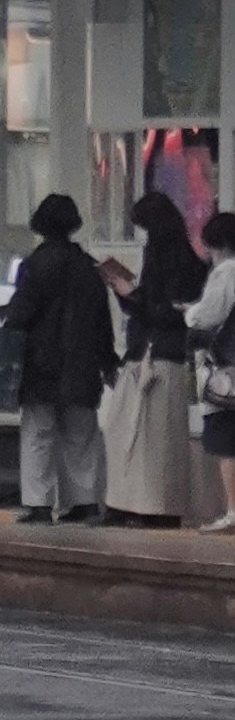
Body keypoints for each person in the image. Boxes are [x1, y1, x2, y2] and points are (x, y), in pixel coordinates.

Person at [6, 194, 120, 525]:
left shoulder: (36, 264)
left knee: (38, 432)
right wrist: (107, 359)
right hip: (83, 363)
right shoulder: (88, 266)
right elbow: (102, 320)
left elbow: (22, 313)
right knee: (81, 433)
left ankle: (39, 504)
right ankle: (83, 501)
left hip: (41, 362)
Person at [102, 179, 206, 523]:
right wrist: (130, 293)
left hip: (154, 352)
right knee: (157, 438)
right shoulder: (185, 259)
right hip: (162, 353)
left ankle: (137, 505)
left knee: (134, 434)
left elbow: (161, 311)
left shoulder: (166, 258)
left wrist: (129, 294)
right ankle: (152, 506)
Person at [186, 206, 235, 532]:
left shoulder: (228, 270)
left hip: (227, 368)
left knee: (225, 437)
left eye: (210, 246)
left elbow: (207, 315)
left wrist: (188, 313)